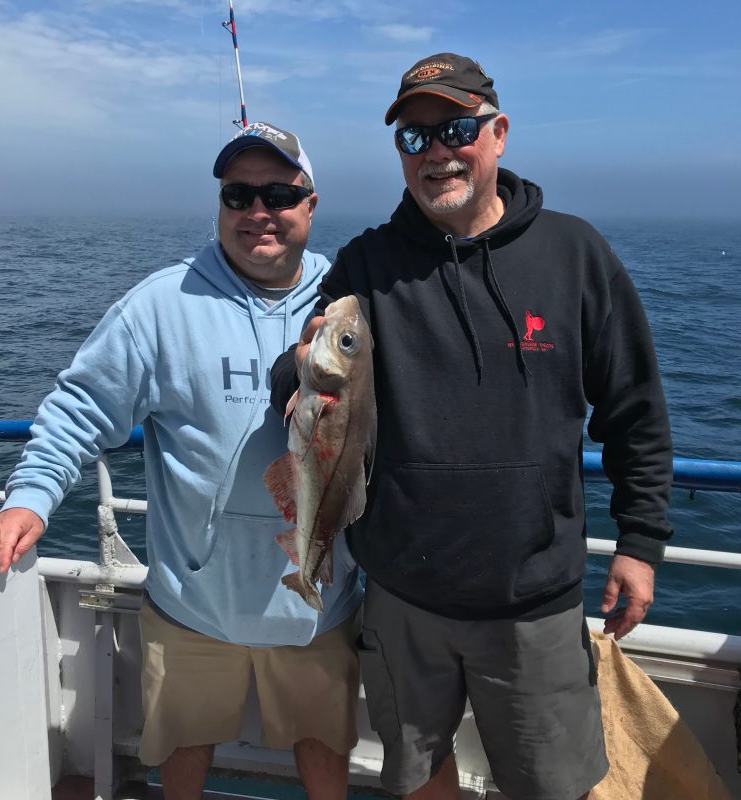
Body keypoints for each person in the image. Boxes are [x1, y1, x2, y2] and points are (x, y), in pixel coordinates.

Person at [271, 54, 673, 800]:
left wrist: (640, 543)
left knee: (553, 786)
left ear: (498, 133)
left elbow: (635, 412)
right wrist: (299, 368)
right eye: (414, 138)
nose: (437, 153)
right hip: (401, 596)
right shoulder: (367, 264)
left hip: (534, 599)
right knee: (418, 778)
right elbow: (296, 387)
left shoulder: (575, 255)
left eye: (456, 129)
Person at [0, 121, 363, 800]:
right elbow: (80, 406)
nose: (258, 211)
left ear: (311, 204)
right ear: (219, 204)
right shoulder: (160, 304)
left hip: (317, 599)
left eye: (278, 195)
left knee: (325, 743)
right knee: (180, 746)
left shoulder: (345, 304)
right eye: (237, 195)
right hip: (192, 602)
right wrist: (29, 497)